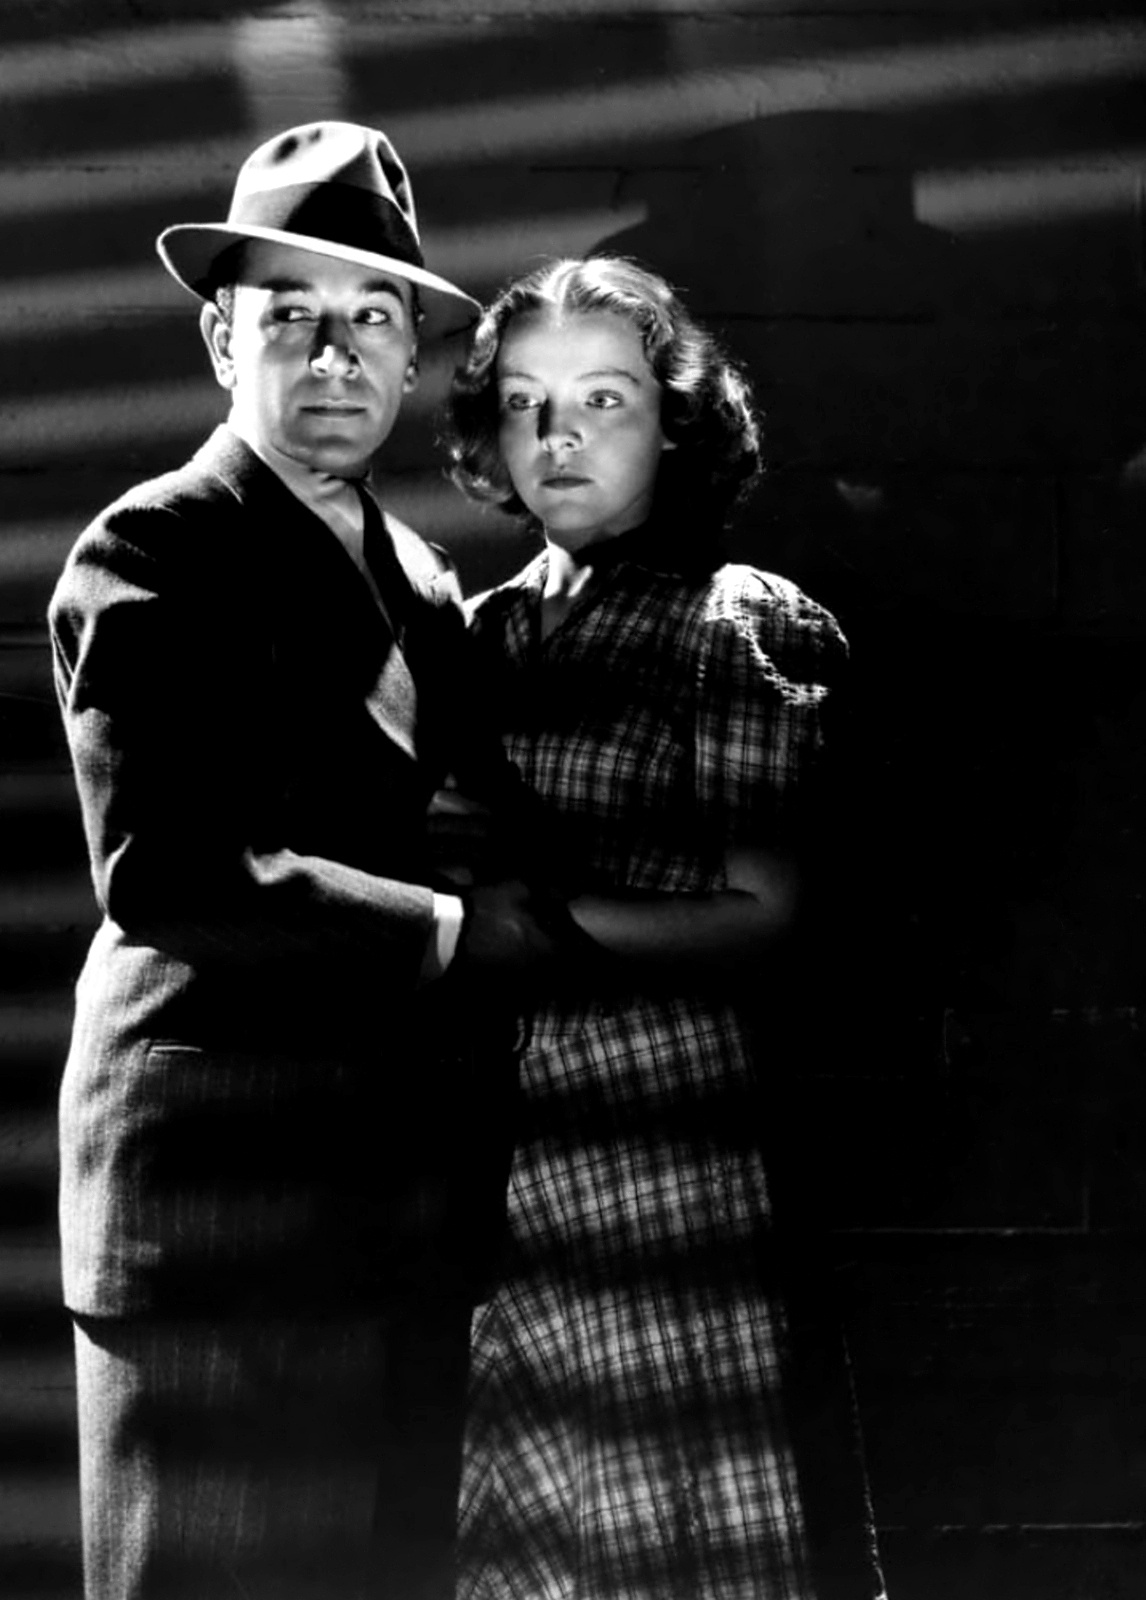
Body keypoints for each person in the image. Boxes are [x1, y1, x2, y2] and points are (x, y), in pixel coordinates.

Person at [47, 122, 562, 1600]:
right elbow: (171, 870)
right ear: (223, 341)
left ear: (411, 360)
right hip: (218, 1213)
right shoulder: (156, 548)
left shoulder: (421, 578)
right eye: (291, 317)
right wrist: (450, 929)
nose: (334, 358)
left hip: (397, 1211)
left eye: (372, 319)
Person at [437, 256, 888, 1599]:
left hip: (663, 1132)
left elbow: (766, 911)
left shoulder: (725, 624)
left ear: (676, 426)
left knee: (659, 1534)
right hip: (504, 1138)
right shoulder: (479, 632)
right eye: (524, 403)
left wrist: (542, 923)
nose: (556, 435)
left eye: (603, 400)